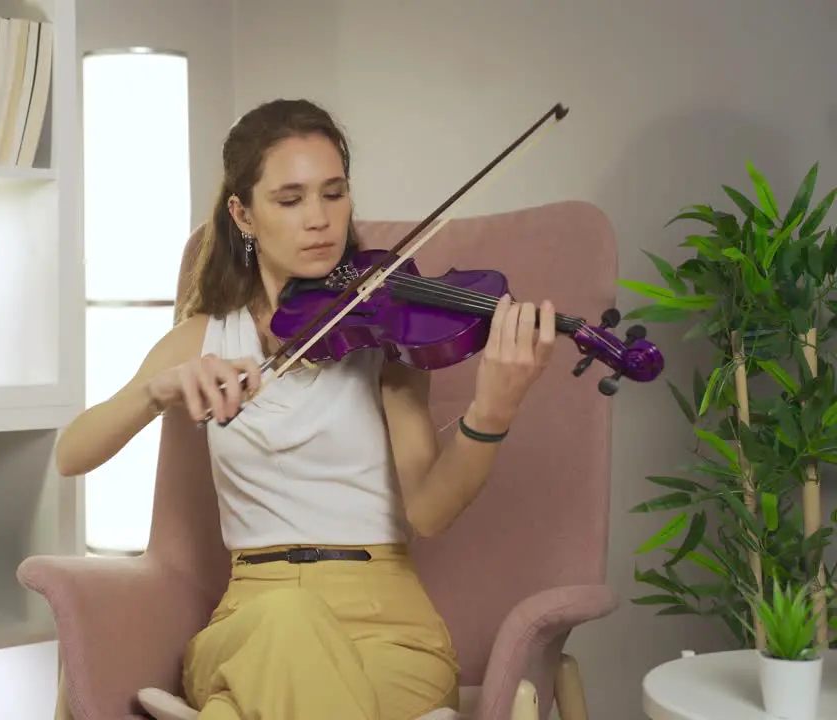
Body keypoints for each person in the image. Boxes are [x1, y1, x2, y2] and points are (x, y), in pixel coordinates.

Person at [54, 98, 557, 720]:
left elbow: (428, 511)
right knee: (286, 623)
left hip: (389, 631)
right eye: (290, 200)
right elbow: (71, 453)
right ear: (243, 214)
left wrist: (494, 408)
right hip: (251, 621)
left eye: (334, 193)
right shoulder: (203, 339)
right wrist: (159, 389)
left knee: (248, 710)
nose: (319, 220)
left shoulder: (386, 337)